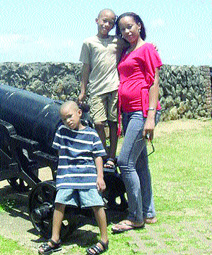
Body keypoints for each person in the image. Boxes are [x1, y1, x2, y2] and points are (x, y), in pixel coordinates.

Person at [111, 12, 162, 233]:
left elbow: (153, 82)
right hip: (129, 112)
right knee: (140, 164)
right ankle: (148, 212)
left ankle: (135, 216)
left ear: (139, 26)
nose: (127, 31)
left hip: (142, 112)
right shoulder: (126, 51)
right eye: (122, 29)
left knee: (125, 162)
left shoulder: (147, 49)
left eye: (130, 26)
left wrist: (150, 116)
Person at [38, 101, 109, 255]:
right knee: (59, 203)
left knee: (97, 204)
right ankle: (55, 238)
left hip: (87, 174)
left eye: (69, 117)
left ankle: (104, 239)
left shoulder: (91, 134)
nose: (67, 121)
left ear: (79, 113)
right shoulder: (62, 132)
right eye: (64, 119)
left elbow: (98, 156)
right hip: (68, 175)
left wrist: (100, 176)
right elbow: (59, 152)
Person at [78, 9, 128, 170]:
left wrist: (150, 45)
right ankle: (104, 152)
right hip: (97, 88)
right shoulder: (89, 43)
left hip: (114, 87)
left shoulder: (118, 42)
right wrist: (83, 90)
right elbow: (86, 68)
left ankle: (112, 157)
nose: (107, 25)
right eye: (104, 21)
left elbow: (134, 43)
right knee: (98, 123)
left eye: (111, 22)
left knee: (113, 123)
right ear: (97, 20)